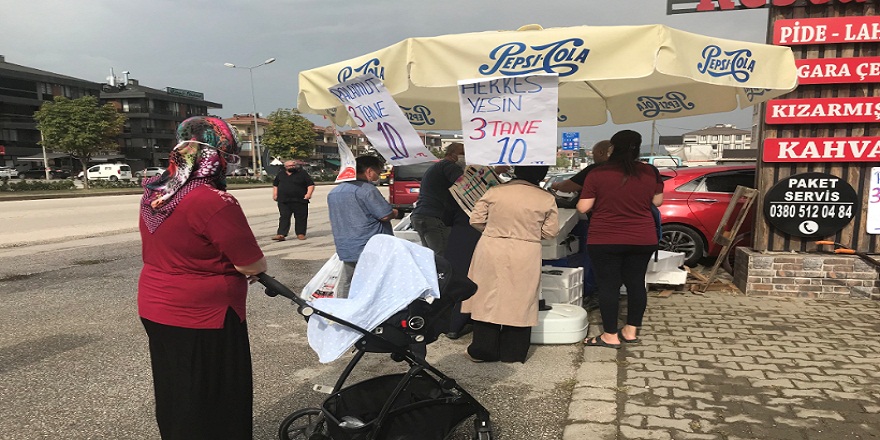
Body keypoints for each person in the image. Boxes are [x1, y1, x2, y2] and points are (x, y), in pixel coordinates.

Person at [138, 116, 267, 440]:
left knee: (176, 390)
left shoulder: (155, 191)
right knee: (215, 396)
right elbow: (252, 264)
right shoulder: (213, 200)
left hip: (156, 306)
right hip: (206, 316)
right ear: (217, 156)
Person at [577, 130, 664, 349]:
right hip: (643, 237)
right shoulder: (650, 171)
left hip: (605, 238)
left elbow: (583, 207)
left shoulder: (598, 173)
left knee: (609, 286)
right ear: (638, 147)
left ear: (612, 148)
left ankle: (609, 335)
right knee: (636, 284)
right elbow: (658, 201)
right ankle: (631, 331)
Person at [463, 166, 558, 363]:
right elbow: (550, 232)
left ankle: (483, 349)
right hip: (526, 249)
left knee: (486, 295)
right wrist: (528, 234)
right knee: (521, 299)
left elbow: (475, 219)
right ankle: (513, 353)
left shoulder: (496, 191)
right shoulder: (545, 198)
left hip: (491, 245)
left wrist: (494, 231)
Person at [548, 140, 612, 306]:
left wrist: (556, 185)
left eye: (594, 153)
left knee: (598, 260)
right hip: (628, 227)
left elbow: (569, 186)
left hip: (600, 224)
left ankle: (596, 294)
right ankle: (608, 294)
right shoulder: (627, 170)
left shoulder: (595, 170)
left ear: (600, 153)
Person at [327, 155, 398, 298]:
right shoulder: (366, 190)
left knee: (349, 280)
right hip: (370, 245)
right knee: (373, 281)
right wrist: (394, 212)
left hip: (346, 244)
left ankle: (344, 309)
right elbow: (384, 214)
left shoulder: (335, 192)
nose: (378, 175)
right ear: (369, 171)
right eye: (378, 172)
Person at [409, 142, 466, 257]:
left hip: (421, 216)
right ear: (452, 154)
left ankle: (433, 275)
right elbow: (465, 185)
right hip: (434, 217)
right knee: (443, 256)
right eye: (462, 154)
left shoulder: (437, 167)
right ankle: (443, 275)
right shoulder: (449, 167)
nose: (464, 157)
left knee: (431, 257)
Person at [272, 160, 315, 241]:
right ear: (285, 167)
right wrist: (275, 194)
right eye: (289, 166)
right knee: (284, 217)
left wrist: (308, 194)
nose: (291, 167)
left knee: (301, 217)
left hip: (300, 200)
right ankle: (281, 234)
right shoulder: (281, 174)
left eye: (293, 165)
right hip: (283, 200)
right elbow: (275, 185)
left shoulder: (302, 173)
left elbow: (310, 184)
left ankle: (300, 234)